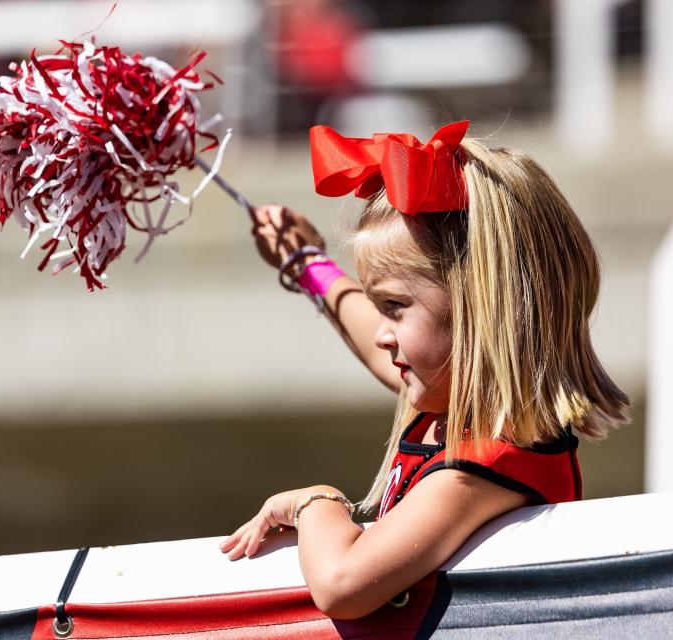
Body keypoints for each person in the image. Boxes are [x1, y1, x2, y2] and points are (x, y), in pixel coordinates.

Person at [217, 120, 629, 620]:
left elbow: (342, 583)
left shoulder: (482, 469)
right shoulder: (459, 408)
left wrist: (314, 504)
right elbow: (375, 338)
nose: (381, 334)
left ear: (481, 309)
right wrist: (307, 263)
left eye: (395, 306)